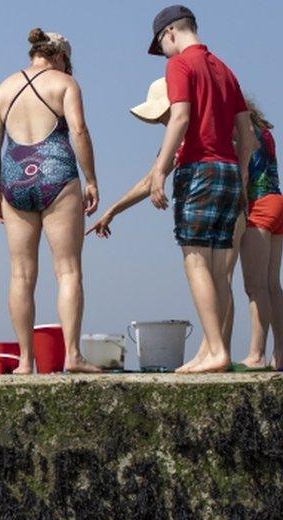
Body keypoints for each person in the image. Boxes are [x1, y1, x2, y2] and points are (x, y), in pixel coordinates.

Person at [88, 78, 248, 371]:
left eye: (162, 114)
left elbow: (151, 180)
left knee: (216, 274)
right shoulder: (211, 126)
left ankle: (215, 352)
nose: (162, 121)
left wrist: (113, 210)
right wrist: (113, 210)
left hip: (219, 193)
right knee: (219, 276)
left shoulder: (190, 131)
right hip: (232, 193)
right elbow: (151, 179)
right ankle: (212, 351)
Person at [142, 5, 255, 372]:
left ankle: (217, 351)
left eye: (162, 44)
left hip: (199, 168)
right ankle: (211, 350)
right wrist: (242, 180)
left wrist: (159, 171)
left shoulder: (179, 65)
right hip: (228, 171)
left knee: (195, 260)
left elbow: (181, 116)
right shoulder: (225, 69)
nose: (164, 52)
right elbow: (248, 137)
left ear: (171, 32)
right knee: (218, 266)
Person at [0, 29, 101, 374]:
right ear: (61, 57)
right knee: (68, 270)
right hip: (57, 174)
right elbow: (78, 131)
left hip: (14, 178)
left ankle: (24, 361)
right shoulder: (64, 84)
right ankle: (73, 356)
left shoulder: (2, 90)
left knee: (20, 274)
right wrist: (91, 178)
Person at [237, 101, 283, 370]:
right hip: (277, 199)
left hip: (258, 203)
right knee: (271, 285)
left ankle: (256, 353)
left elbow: (244, 164)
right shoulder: (263, 129)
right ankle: (279, 353)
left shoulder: (241, 129)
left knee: (254, 286)